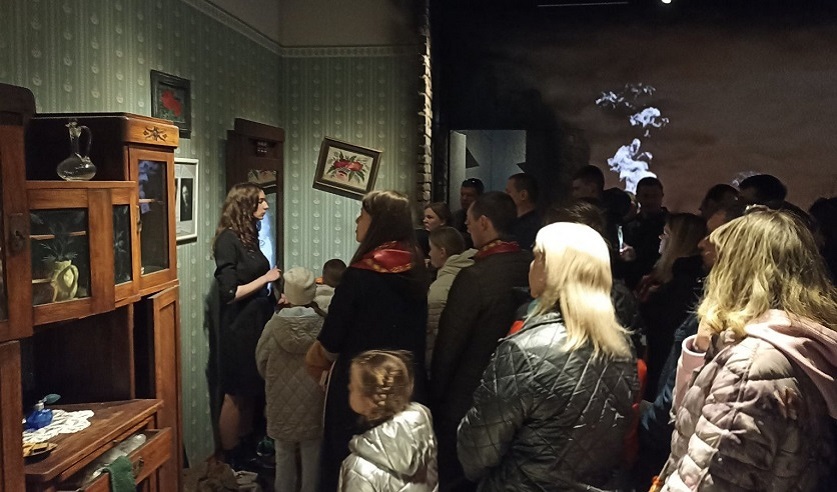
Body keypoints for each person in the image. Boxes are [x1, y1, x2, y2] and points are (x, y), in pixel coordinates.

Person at [657, 208, 837, 491]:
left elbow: (705, 481)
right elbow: (689, 420)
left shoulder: (751, 365)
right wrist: (701, 349)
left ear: (737, 271)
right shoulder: (803, 346)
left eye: (721, 262)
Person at [457, 222, 639, 490]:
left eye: (536, 258)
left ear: (552, 270)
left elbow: (476, 453)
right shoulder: (622, 347)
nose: (530, 266)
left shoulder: (526, 349)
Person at [305, 190, 428, 492]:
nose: (357, 221)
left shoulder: (360, 275)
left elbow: (331, 341)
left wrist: (315, 363)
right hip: (405, 383)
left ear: (379, 223)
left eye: (362, 215)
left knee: (351, 466)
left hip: (360, 385)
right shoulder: (417, 267)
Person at [633, 204, 743, 489]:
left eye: (713, 235)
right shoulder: (702, 294)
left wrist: (645, 428)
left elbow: (681, 395)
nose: (702, 243)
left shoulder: (716, 309)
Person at [431, 191, 532, 491]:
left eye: (470, 222)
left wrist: (436, 396)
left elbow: (449, 344)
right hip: (521, 391)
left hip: (470, 393)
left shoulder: (475, 276)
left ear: (485, 223)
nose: (467, 228)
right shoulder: (529, 263)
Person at [212, 183, 282, 469]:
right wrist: (266, 278)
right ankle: (232, 457)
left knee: (251, 388)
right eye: (261, 201)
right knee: (235, 393)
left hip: (256, 323)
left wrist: (276, 297)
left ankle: (247, 448)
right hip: (239, 328)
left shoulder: (248, 236)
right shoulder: (227, 240)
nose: (266, 206)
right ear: (245, 205)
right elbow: (229, 293)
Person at [256, 267, 325, 492]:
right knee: (312, 451)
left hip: (280, 398)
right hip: (313, 398)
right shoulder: (322, 323)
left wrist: (272, 379)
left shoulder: (274, 324)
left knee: (283, 452)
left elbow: (261, 359)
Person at [339, 350, 438, 491]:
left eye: (353, 386)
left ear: (370, 400)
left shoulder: (359, 469)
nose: (348, 386)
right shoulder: (421, 435)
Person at [636, 213, 706, 398]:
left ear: (679, 242)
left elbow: (661, 328)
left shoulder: (682, 283)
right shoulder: (667, 275)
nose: (660, 237)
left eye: (666, 234)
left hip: (660, 366)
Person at [426, 227, 476, 374]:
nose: (429, 254)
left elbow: (434, 336)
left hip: (443, 363)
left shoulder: (439, 289)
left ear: (442, 252)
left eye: (431, 249)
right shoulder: (475, 272)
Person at [505, 173, 541, 250]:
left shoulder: (532, 227)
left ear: (523, 195)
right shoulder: (512, 220)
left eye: (509, 192)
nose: (505, 196)